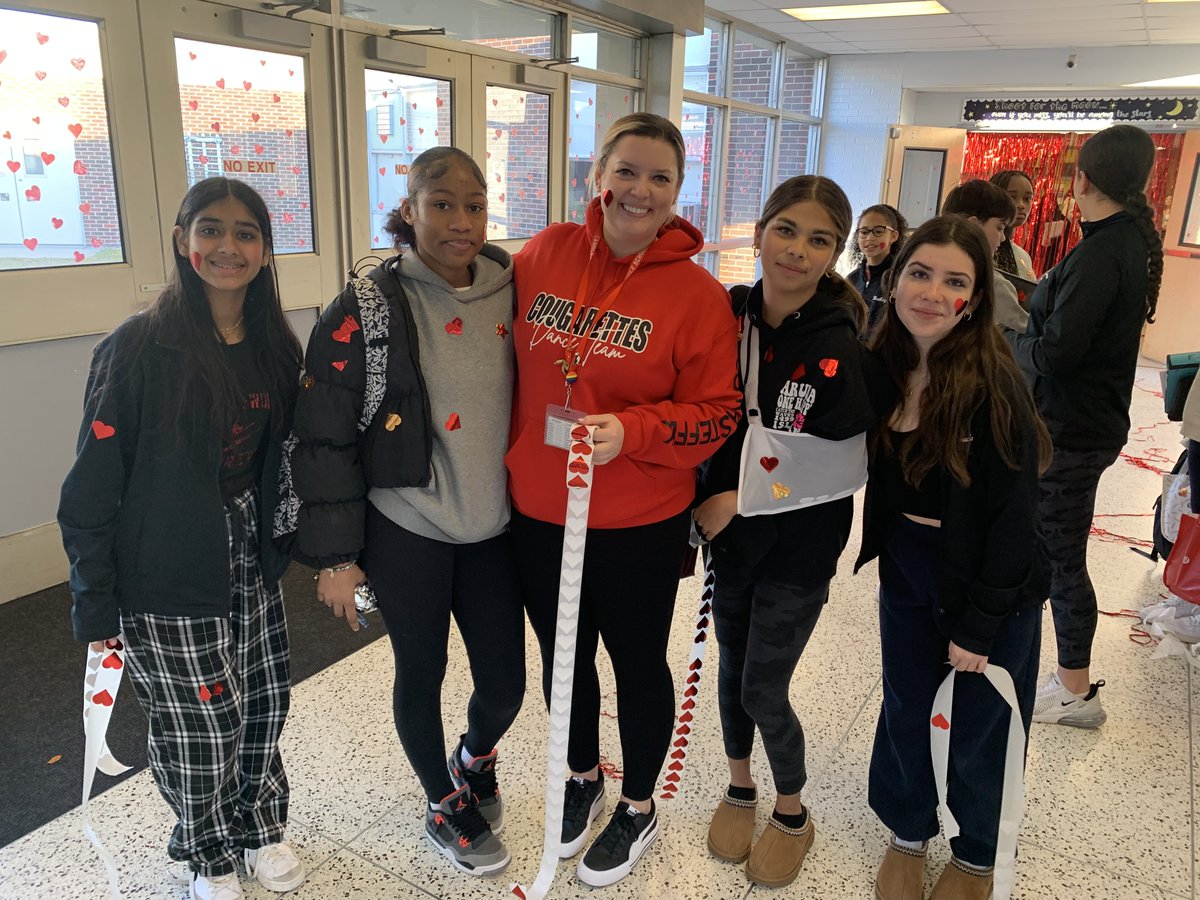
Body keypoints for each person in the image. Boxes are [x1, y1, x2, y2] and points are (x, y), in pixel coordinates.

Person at [506, 112, 741, 887]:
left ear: (678, 193)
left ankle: (637, 803)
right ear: (596, 177)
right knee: (562, 658)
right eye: (628, 171)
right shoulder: (544, 254)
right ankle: (582, 778)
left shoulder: (697, 296)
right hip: (541, 509)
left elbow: (717, 415)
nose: (640, 190)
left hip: (638, 520)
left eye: (660, 178)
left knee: (637, 663)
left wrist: (632, 430)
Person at [58, 177, 305, 900]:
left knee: (261, 701)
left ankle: (258, 826)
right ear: (182, 240)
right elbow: (90, 488)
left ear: (264, 250)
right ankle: (202, 848)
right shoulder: (137, 349)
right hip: (164, 564)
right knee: (201, 721)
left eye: (246, 232)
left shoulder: (271, 346)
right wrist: (93, 600)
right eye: (210, 228)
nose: (227, 246)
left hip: (247, 559)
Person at [286, 147, 524, 876]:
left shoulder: (516, 291)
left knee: (507, 685)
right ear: (409, 209)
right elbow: (322, 435)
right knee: (420, 669)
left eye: (474, 205)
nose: (460, 220)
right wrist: (336, 556)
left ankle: (473, 754)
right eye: (441, 203)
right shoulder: (367, 306)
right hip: (407, 524)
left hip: (493, 528)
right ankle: (440, 799)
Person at [693, 176, 885, 888]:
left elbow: (839, 463)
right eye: (786, 230)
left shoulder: (841, 346)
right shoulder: (727, 316)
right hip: (730, 542)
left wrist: (738, 499)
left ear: (837, 252)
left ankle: (793, 810)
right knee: (732, 670)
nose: (798, 250)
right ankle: (739, 784)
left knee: (765, 687)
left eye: (820, 239)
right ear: (760, 232)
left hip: (799, 551)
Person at [857, 215, 1052, 900]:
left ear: (973, 297)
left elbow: (1017, 520)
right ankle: (907, 828)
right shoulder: (882, 362)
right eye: (920, 272)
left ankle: (977, 852)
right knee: (908, 701)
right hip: (908, 563)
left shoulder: (994, 384)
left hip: (990, 576)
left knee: (982, 721)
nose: (932, 293)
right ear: (895, 275)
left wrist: (979, 625)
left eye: (954, 281)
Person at [1005, 124, 1164, 728]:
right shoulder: (1115, 240)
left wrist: (1006, 336)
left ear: (1083, 180)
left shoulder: (1103, 251)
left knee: (1062, 555)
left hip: (1072, 430)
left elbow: (1055, 355)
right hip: (1080, 423)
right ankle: (1045, 664)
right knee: (1050, 550)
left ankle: (1075, 689)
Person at [941, 179, 1027, 332]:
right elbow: (1019, 338)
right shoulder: (992, 284)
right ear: (974, 225)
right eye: (1000, 228)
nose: (1003, 238)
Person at [848, 203, 907, 339]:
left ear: (894, 236)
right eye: (864, 232)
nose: (870, 238)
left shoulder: (901, 278)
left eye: (879, 231)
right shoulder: (852, 279)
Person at [989, 169, 1038, 280]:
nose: (1021, 205)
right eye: (1012, 197)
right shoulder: (982, 250)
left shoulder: (1023, 256)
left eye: (1027, 199)